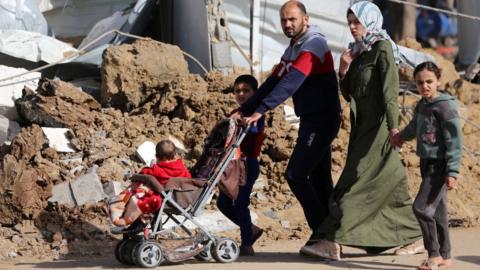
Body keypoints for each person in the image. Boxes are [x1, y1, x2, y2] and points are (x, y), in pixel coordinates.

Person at [300, 1, 422, 260]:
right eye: (350, 23)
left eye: (357, 22)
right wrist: (343, 69)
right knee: (387, 186)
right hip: (361, 129)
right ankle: (413, 235)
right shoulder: (358, 52)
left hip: (380, 130)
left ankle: (333, 240)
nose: (353, 28)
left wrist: (394, 129)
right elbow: (349, 95)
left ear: (371, 21)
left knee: (354, 185)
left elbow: (390, 92)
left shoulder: (382, 48)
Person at [234, 0, 341, 250]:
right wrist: (246, 109)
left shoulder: (313, 43)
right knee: (320, 177)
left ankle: (322, 236)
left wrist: (261, 111)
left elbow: (292, 80)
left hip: (322, 119)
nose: (287, 24)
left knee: (295, 174)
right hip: (311, 118)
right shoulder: (294, 46)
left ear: (306, 19)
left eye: (292, 19)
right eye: (283, 20)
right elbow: (274, 81)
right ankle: (331, 235)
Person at [392, 61, 462, 270]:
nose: (425, 86)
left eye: (430, 81)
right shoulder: (422, 105)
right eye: (420, 83)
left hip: (440, 165)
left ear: (438, 81)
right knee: (439, 212)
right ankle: (446, 257)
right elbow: (415, 126)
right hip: (426, 162)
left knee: (421, 208)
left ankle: (433, 254)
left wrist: (453, 171)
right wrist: (401, 137)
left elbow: (454, 142)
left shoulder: (445, 106)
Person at [217, 74, 266, 256]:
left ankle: (247, 243)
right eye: (238, 91)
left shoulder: (257, 113)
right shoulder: (235, 112)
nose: (241, 94)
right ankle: (250, 229)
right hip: (232, 166)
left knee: (240, 203)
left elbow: (254, 130)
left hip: (248, 165)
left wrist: (245, 121)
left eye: (246, 90)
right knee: (223, 203)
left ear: (255, 92)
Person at [109, 139, 191, 227]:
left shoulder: (158, 170)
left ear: (157, 157)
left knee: (139, 193)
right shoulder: (181, 167)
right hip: (179, 196)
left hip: (168, 199)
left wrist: (138, 175)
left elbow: (147, 173)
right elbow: (188, 178)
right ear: (175, 155)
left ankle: (122, 214)